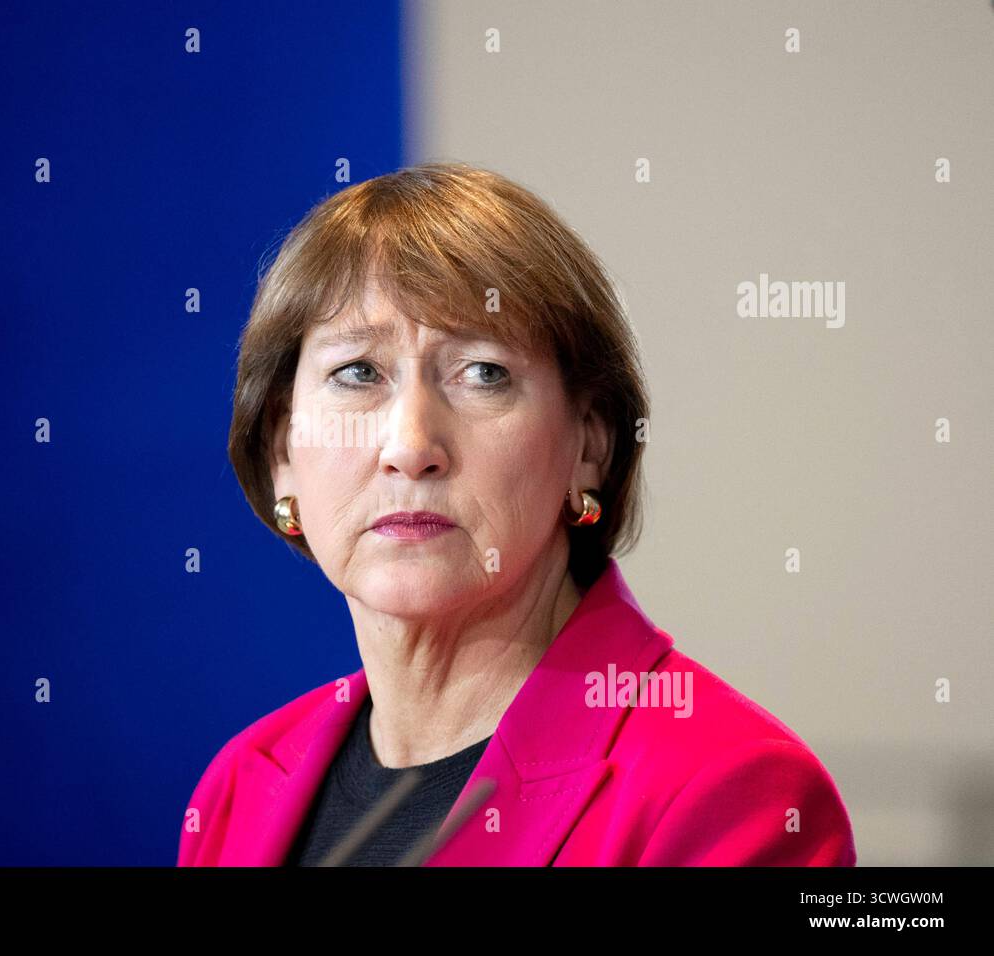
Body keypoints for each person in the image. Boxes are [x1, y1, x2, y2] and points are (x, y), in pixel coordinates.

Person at [178, 161, 856, 866]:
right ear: (281, 451)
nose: (411, 447)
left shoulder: (729, 793)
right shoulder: (237, 789)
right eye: (358, 373)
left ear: (588, 446)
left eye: (483, 374)